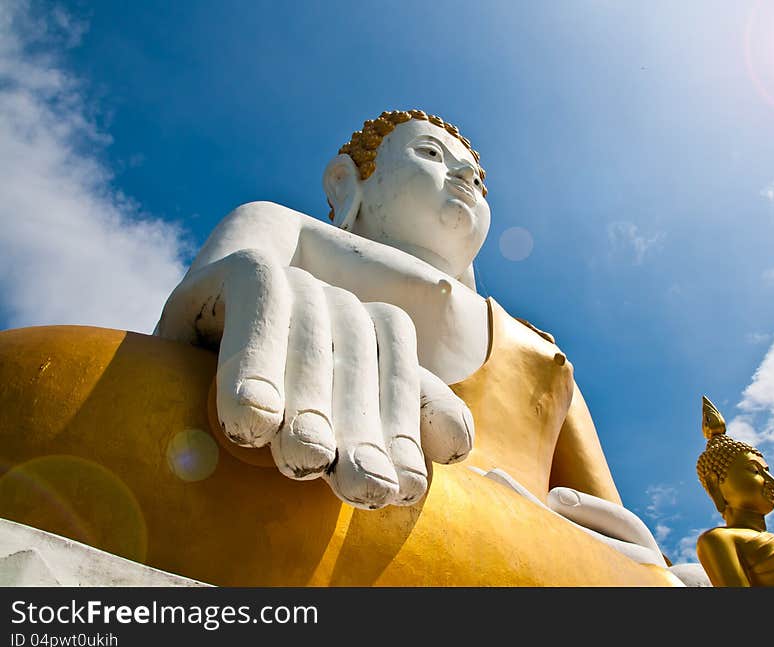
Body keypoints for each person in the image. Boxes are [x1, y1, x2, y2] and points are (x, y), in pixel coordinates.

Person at [0, 110, 677, 584]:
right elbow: (184, 340)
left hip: (528, 541)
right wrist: (262, 301)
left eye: (477, 173)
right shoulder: (281, 228)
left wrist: (654, 567)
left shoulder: (543, 354)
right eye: (431, 156)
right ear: (347, 184)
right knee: (39, 384)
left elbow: (606, 521)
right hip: (313, 464)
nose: (465, 177)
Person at [695, 396, 774, 587]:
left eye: (767, 472)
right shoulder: (720, 540)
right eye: (755, 471)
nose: (772, 481)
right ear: (715, 485)